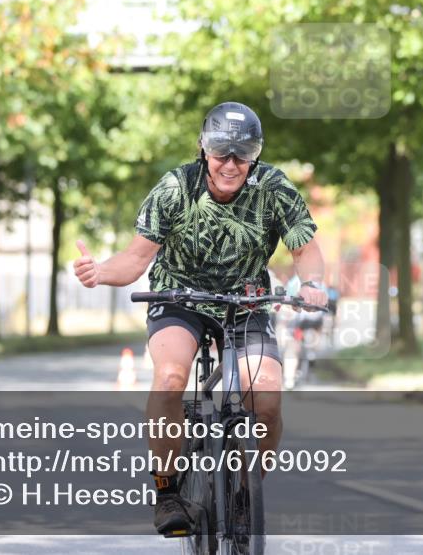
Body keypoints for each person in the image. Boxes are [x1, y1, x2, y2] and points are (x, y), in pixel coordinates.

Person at [73, 102, 328, 535]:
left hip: (245, 302)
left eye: (242, 154)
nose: (231, 164)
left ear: (255, 155)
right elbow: (135, 259)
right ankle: (168, 490)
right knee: (171, 377)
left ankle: (248, 490)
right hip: (179, 298)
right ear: (203, 150)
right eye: (221, 153)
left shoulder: (273, 187)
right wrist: (100, 273)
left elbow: (305, 249)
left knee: (265, 395)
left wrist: (313, 283)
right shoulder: (176, 187)